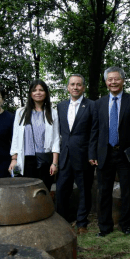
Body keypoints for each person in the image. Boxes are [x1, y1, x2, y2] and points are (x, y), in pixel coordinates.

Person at [89, 66, 130, 237]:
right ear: (106, 82)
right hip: (104, 153)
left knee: (127, 190)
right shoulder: (99, 103)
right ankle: (104, 227)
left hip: (125, 153)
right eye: (110, 79)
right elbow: (94, 130)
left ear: (123, 80)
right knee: (103, 191)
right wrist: (92, 153)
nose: (113, 82)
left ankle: (126, 224)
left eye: (116, 79)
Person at [55, 74, 95, 235]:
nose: (75, 87)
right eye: (72, 84)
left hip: (84, 155)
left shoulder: (91, 106)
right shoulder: (60, 106)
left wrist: (92, 154)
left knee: (85, 190)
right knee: (61, 189)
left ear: (83, 87)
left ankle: (82, 223)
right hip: (65, 155)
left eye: (79, 84)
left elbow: (94, 132)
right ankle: (61, 221)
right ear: (68, 87)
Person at [9, 79, 60, 191]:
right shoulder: (21, 112)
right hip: (26, 159)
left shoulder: (53, 112)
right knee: (24, 190)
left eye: (41, 90)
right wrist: (14, 159)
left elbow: (56, 139)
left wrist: (54, 163)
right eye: (34, 90)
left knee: (43, 190)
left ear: (46, 93)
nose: (38, 93)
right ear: (30, 94)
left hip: (45, 159)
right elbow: (16, 137)